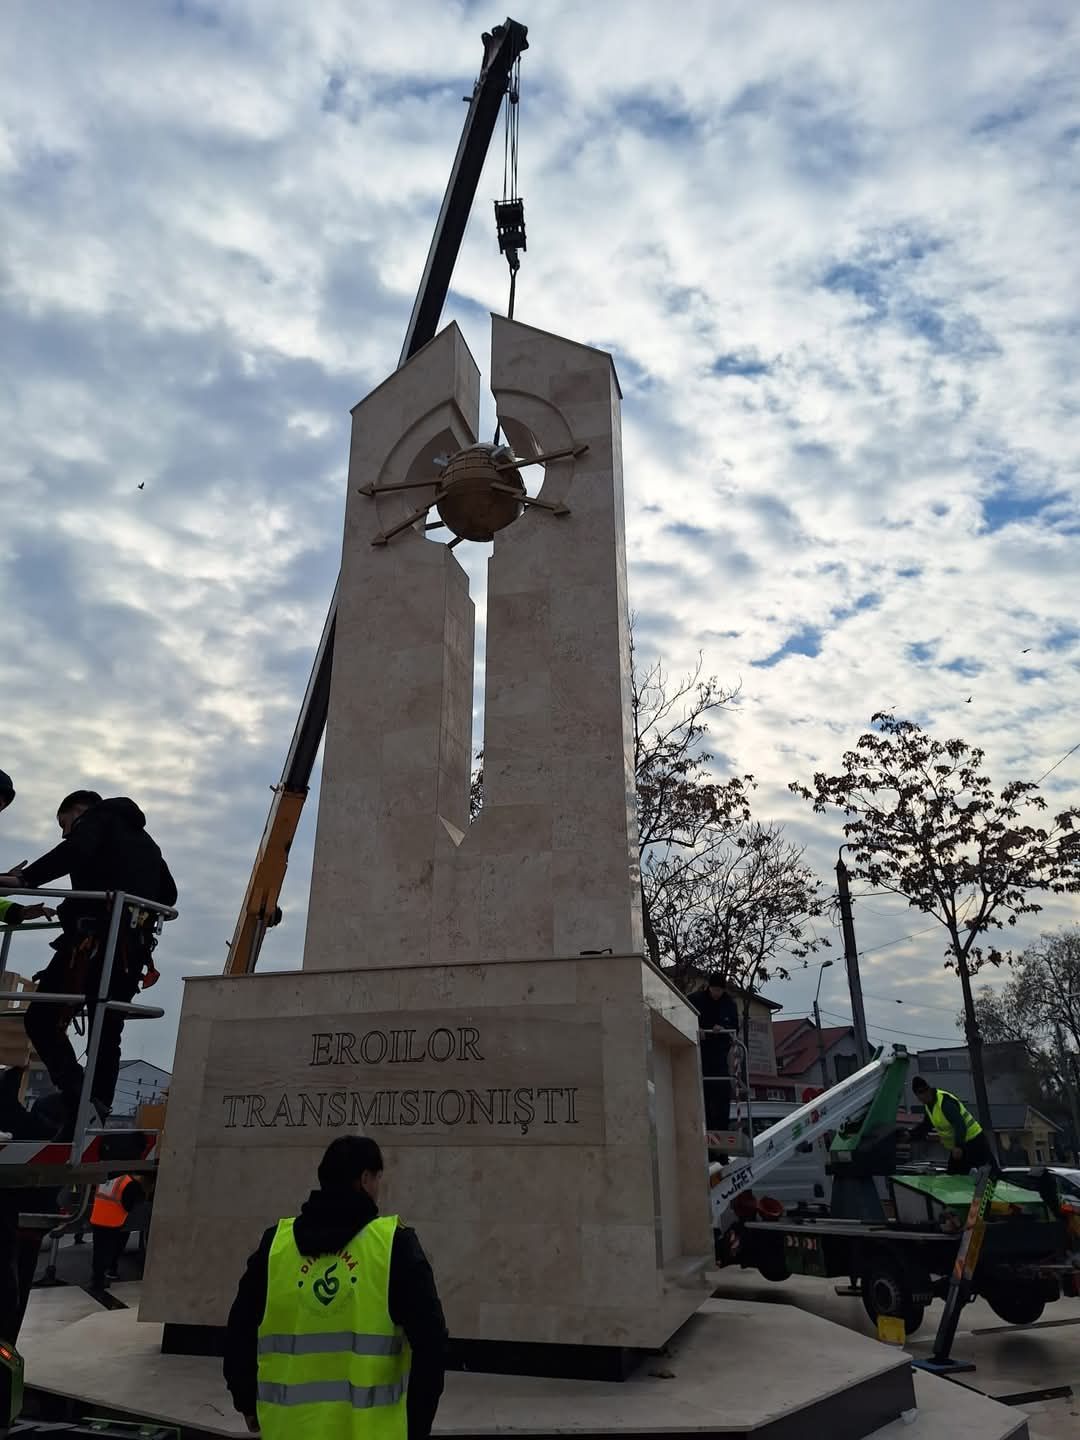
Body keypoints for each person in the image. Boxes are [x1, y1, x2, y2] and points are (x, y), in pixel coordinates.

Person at [224, 1135, 447, 1440]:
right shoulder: (393, 1246)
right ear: (365, 1179)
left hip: (289, 1431)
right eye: (378, 1179)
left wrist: (246, 1400)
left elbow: (240, 1329)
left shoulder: (277, 1245)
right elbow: (432, 1343)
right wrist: (417, 1427)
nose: (378, 1188)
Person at [0, 791, 176, 1134]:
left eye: (64, 824)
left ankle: (79, 1099)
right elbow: (169, 894)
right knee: (107, 1030)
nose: (65, 833)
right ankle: (95, 1109)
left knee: (42, 1019)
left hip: (90, 946)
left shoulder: (97, 818)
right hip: (131, 952)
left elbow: (75, 850)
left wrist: (25, 879)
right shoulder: (147, 842)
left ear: (79, 811)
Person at [909, 1076, 997, 1175]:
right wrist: (910, 1135)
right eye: (919, 1094)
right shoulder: (929, 1107)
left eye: (924, 1092)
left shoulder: (945, 1103)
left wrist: (958, 1146)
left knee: (989, 1173)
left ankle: (996, 1181)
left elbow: (960, 1124)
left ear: (929, 1089)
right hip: (960, 1145)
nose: (923, 1096)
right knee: (955, 1175)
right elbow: (925, 1126)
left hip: (974, 1141)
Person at [688, 978, 739, 1130]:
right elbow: (684, 1015)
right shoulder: (696, 999)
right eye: (714, 989)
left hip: (719, 1052)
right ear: (709, 987)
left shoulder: (729, 1004)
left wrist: (723, 1027)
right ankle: (706, 1126)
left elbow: (735, 1026)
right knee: (704, 1091)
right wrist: (696, 1027)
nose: (717, 993)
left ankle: (721, 1126)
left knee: (721, 1089)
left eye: (719, 990)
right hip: (700, 1051)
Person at [89, 1172, 145, 1292]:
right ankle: (108, 1273)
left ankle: (97, 1280)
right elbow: (130, 1206)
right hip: (113, 1222)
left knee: (98, 1252)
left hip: (97, 1219)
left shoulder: (103, 1177)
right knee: (111, 1251)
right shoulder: (128, 1182)